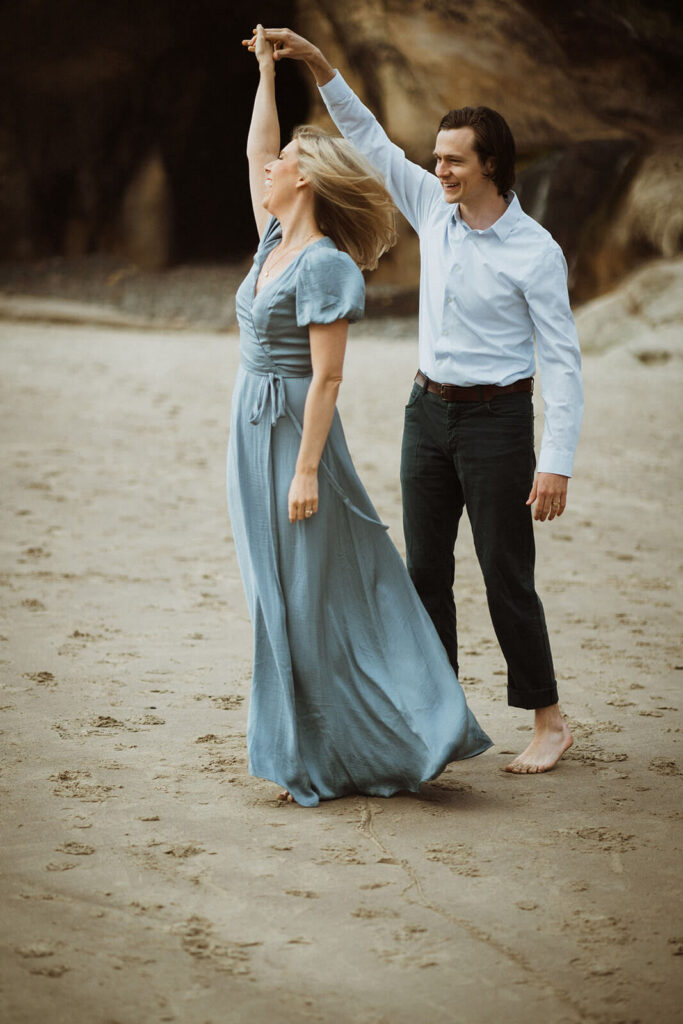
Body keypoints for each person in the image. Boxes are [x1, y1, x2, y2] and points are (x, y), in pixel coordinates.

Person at [246, 27, 584, 774]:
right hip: (424, 414)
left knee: (504, 572)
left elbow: (561, 363)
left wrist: (554, 461)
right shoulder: (432, 206)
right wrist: (320, 66)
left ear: (490, 163)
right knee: (424, 572)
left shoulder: (535, 250)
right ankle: (436, 718)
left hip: (498, 421)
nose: (439, 170)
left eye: (453, 160)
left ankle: (548, 719)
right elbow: (365, 137)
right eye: (435, 159)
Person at [227, 26, 492, 806]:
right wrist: (270, 74)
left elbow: (329, 379)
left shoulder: (325, 266)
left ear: (303, 182)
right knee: (270, 591)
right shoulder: (271, 240)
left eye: (282, 164)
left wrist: (306, 469)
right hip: (247, 429)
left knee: (314, 590)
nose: (269, 168)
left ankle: (388, 734)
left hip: (294, 437)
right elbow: (255, 149)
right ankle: (303, 741)